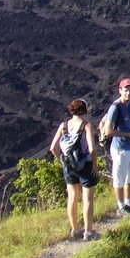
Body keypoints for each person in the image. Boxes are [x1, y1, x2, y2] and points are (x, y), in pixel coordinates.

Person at [49, 99, 100, 241]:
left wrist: (62, 160)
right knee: (87, 199)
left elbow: (53, 147)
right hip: (85, 165)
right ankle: (88, 232)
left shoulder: (63, 125)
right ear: (85, 110)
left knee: (72, 197)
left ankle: (75, 229)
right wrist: (95, 166)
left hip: (68, 166)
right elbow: (92, 149)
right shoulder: (86, 125)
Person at [102, 77, 130, 214]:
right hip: (120, 148)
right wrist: (129, 134)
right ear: (120, 91)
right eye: (126, 90)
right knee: (119, 178)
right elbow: (108, 131)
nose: (129, 93)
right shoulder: (116, 107)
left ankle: (129, 202)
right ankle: (120, 206)